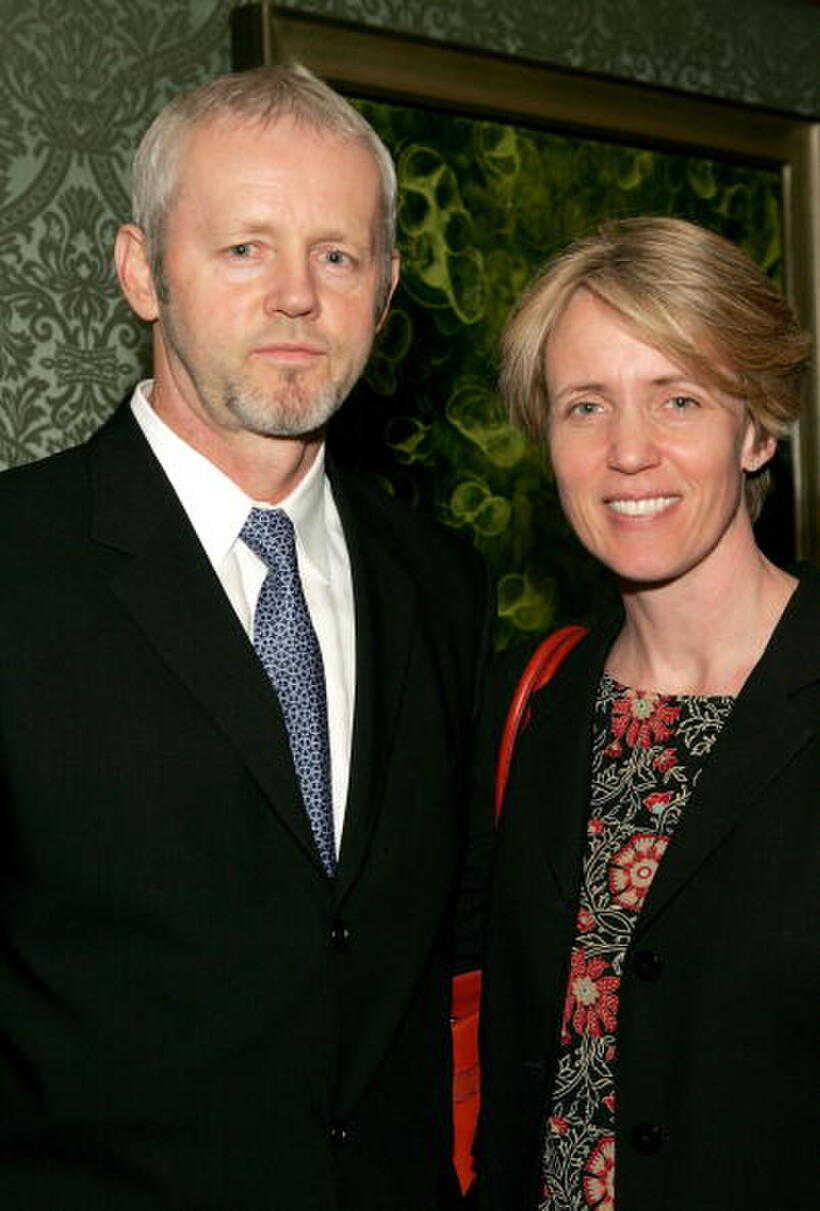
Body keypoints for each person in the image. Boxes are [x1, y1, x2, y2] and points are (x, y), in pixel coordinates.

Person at [0, 65, 493, 1210]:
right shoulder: (18, 562)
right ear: (140, 271)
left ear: (386, 285)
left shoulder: (443, 581)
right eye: (242, 249)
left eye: (336, 254)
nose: (296, 297)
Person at [473, 217, 818, 1211]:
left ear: (755, 428)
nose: (628, 450)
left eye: (677, 398)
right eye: (586, 405)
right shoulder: (527, 697)